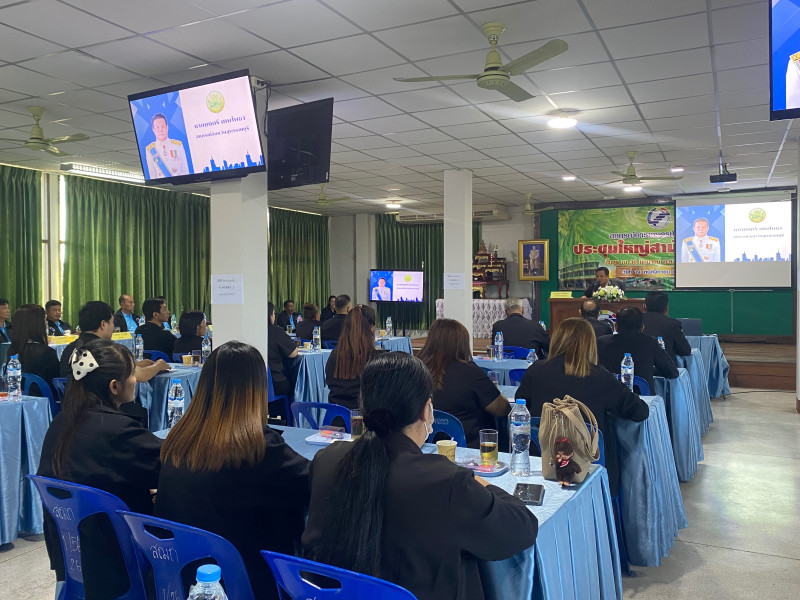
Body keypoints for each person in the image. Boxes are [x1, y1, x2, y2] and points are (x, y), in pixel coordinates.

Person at [303, 352, 538, 600]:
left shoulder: (326, 460)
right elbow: (520, 528)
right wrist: (478, 481)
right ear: (426, 410)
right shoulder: (445, 481)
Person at [155, 342, 310, 600]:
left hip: (180, 579)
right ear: (256, 390)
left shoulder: (180, 438)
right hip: (243, 584)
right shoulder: (256, 448)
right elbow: (312, 482)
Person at [38, 338, 162, 599]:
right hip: (115, 555)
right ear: (114, 386)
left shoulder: (60, 423)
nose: (135, 381)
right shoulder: (118, 432)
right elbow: (168, 470)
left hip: (71, 552)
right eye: (132, 374)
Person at [515, 318, 649, 495]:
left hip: (540, 460)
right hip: (588, 466)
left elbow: (520, 405)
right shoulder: (600, 376)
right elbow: (640, 412)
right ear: (590, 344)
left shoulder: (535, 370)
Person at [418, 318, 510, 449]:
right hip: (468, 449)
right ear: (461, 344)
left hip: (424, 445)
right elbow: (501, 409)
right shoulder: (470, 373)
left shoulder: (416, 369)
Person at [59, 301, 169, 381]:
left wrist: (134, 365)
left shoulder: (69, 349)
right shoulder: (108, 351)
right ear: (103, 324)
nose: (113, 328)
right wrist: (158, 365)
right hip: (102, 405)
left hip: (72, 405)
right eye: (112, 322)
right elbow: (143, 376)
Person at [597, 307, 678, 391]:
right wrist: (649, 370)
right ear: (642, 327)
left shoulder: (601, 342)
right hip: (643, 396)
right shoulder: (651, 342)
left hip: (607, 394)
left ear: (616, 326)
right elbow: (672, 372)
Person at [324, 305, 382, 410]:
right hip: (365, 417)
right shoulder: (375, 360)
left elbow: (329, 382)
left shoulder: (334, 356)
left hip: (335, 416)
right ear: (372, 329)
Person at [7, 304, 60, 396]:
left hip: (18, 397)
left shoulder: (11, 350)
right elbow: (56, 382)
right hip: (45, 400)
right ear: (37, 324)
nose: (46, 323)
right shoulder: (47, 352)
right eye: (44, 319)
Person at [642, 291, 692, 364]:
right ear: (666, 308)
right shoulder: (673, 323)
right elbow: (685, 350)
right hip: (665, 368)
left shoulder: (636, 321)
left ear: (644, 306)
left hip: (639, 366)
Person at [267, 301, 299, 401]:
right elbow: (293, 353)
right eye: (273, 314)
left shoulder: (250, 331)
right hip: (274, 382)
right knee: (296, 381)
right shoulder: (276, 332)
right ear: (269, 315)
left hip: (253, 383)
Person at [145, 113, 189, 178]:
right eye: (157, 127)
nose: (160, 130)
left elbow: (185, 171)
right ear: (154, 130)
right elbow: (153, 176)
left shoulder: (178, 146)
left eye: (163, 126)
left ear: (167, 127)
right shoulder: (150, 150)